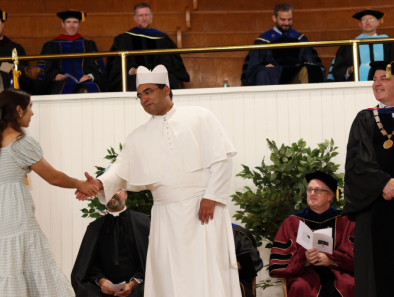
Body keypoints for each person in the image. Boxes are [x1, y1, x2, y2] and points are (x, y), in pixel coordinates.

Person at [76, 65, 240, 297]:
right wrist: (98, 184)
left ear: (166, 90)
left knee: (207, 271)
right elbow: (120, 170)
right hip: (166, 216)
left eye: (148, 91)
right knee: (168, 274)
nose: (144, 99)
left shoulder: (200, 116)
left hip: (202, 209)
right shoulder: (137, 136)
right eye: (140, 95)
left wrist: (212, 196)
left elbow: (222, 159)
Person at [0, 89, 98, 297]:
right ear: (19, 109)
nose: (32, 113)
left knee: (1, 274)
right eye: (30, 107)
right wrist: (79, 183)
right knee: (31, 270)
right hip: (16, 218)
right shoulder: (20, 144)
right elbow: (52, 177)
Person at [343, 60, 394, 297]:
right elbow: (355, 163)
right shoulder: (365, 119)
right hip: (374, 207)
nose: (377, 83)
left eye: (384, 78)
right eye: (374, 79)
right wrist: (383, 182)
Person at [269, 171, 355, 297]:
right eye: (309, 190)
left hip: (338, 271)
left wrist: (331, 260)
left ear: (330, 196)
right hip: (305, 273)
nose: (312, 193)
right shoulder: (293, 221)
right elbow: (281, 261)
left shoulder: (345, 220)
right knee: (300, 286)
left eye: (318, 190)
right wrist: (305, 259)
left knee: (350, 285)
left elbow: (354, 255)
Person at [71, 188, 150, 297]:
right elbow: (88, 266)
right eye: (106, 191)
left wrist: (132, 284)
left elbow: (152, 262)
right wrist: (102, 281)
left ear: (125, 194)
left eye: (116, 189)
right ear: (101, 198)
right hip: (103, 293)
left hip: (139, 291)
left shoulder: (145, 223)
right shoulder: (94, 228)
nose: (111, 193)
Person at [106, 3, 190, 92]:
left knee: (170, 79)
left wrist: (160, 70)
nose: (144, 18)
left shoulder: (163, 39)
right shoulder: (123, 39)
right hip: (135, 77)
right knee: (131, 82)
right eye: (141, 15)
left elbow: (173, 62)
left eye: (147, 15)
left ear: (151, 16)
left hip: (160, 76)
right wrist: (132, 70)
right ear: (135, 18)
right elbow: (115, 64)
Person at [241, 3, 326, 86]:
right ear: (274, 18)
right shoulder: (263, 41)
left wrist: (306, 63)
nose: (287, 23)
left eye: (289, 19)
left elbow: (312, 61)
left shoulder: (300, 39)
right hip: (273, 76)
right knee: (263, 72)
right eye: (283, 20)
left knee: (312, 70)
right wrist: (264, 66)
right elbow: (252, 69)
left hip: (297, 76)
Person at [36, 10, 108, 94]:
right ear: (63, 24)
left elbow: (97, 66)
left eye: (75, 22)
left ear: (79, 24)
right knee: (61, 88)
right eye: (68, 22)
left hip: (85, 81)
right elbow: (45, 67)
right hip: (61, 82)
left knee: (91, 87)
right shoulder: (51, 45)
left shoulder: (88, 45)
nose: (72, 25)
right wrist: (54, 76)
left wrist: (90, 76)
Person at [328, 9, 394, 82]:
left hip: (386, 85)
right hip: (358, 87)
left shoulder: (390, 43)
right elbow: (338, 69)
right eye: (364, 20)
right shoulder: (350, 45)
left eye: (371, 19)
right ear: (359, 24)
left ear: (377, 22)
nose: (367, 22)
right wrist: (349, 70)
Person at [232, 224, 263, 297]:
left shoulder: (237, 232)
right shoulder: (200, 234)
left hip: (236, 278)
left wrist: (232, 265)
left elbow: (253, 263)